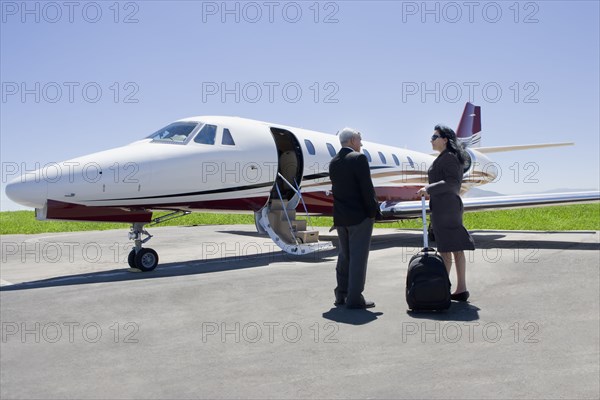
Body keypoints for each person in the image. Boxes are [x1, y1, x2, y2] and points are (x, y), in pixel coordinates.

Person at [417, 124, 475, 302]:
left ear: (445, 140)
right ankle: (452, 288)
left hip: (448, 209)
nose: (431, 140)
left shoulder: (449, 157)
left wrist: (428, 188)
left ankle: (455, 288)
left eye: (434, 137)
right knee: (448, 248)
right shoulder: (445, 157)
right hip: (443, 208)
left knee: (452, 248)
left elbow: (452, 183)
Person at [329, 128, 381, 309]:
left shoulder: (333, 162)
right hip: (360, 218)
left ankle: (341, 294)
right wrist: (373, 212)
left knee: (344, 257)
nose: (361, 143)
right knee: (358, 258)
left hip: (341, 218)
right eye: (360, 140)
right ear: (352, 140)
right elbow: (367, 189)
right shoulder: (358, 159)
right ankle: (354, 298)